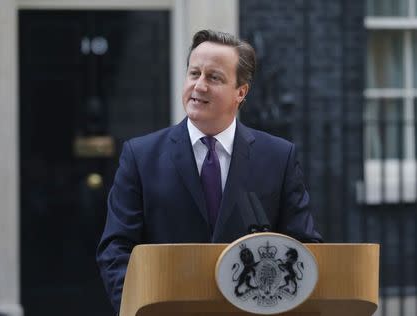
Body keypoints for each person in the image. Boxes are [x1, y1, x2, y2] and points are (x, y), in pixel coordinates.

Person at [97, 29, 322, 313]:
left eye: (213, 77)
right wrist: (139, 308)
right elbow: (116, 250)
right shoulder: (140, 156)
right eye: (194, 74)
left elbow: (305, 247)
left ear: (241, 92)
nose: (199, 86)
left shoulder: (279, 157)